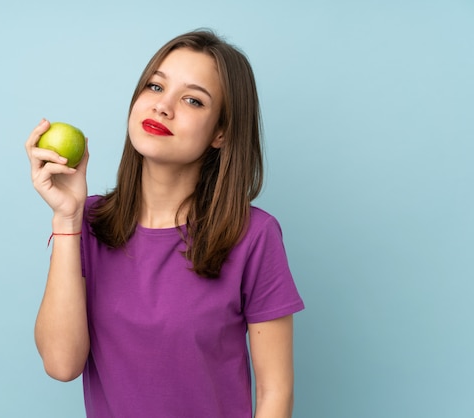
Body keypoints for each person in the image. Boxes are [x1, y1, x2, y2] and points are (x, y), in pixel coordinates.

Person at [25, 29, 304, 418]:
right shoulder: (87, 222)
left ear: (221, 133)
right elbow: (61, 364)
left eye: (192, 99)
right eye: (155, 87)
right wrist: (66, 218)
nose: (163, 107)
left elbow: (275, 393)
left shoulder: (254, 236)